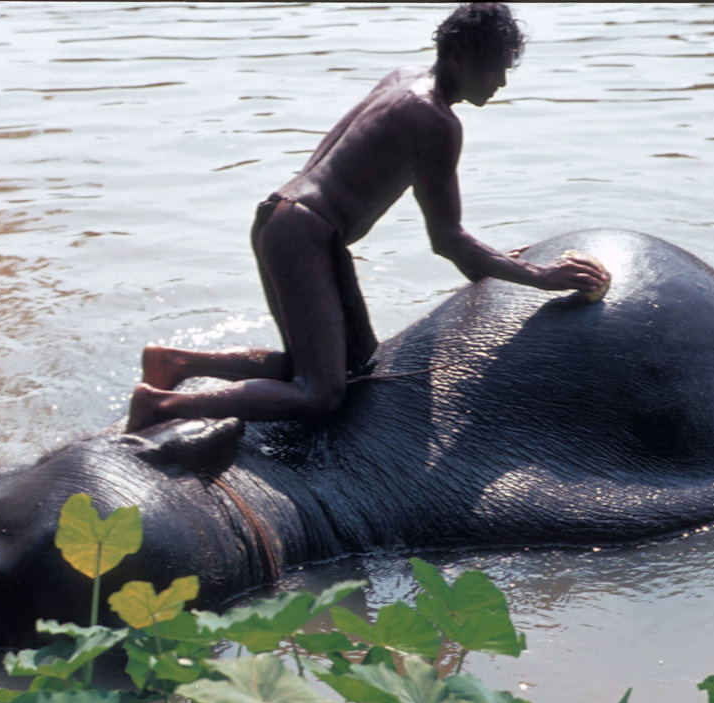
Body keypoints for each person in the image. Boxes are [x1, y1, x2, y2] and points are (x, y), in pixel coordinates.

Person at [126, 2, 608, 434]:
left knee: (353, 364)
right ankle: (164, 405)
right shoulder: (436, 121)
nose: (500, 83)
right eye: (494, 71)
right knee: (321, 394)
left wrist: (497, 266)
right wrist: (540, 277)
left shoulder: (403, 80)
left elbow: (454, 243)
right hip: (303, 233)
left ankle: (177, 362)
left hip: (288, 220)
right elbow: (447, 238)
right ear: (459, 60)